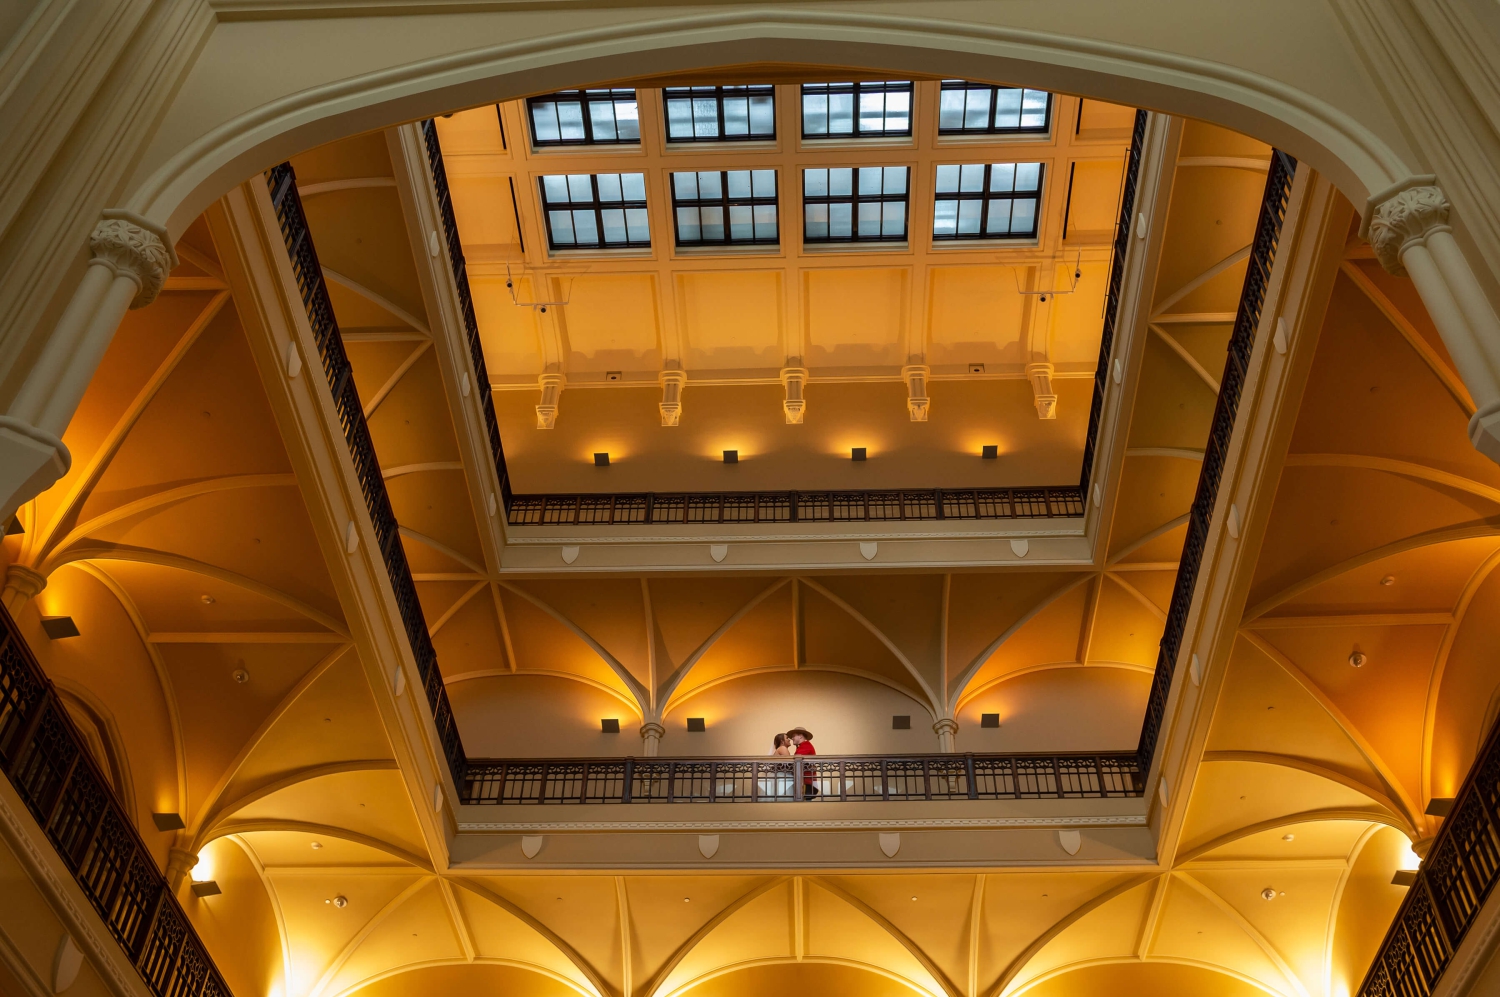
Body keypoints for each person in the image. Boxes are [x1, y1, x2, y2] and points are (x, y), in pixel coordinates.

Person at [788, 727, 818, 799]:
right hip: (807, 782)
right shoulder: (803, 746)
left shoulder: (805, 746)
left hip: (807, 783)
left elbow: (795, 761)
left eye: (794, 736)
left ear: (800, 736)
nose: (792, 738)